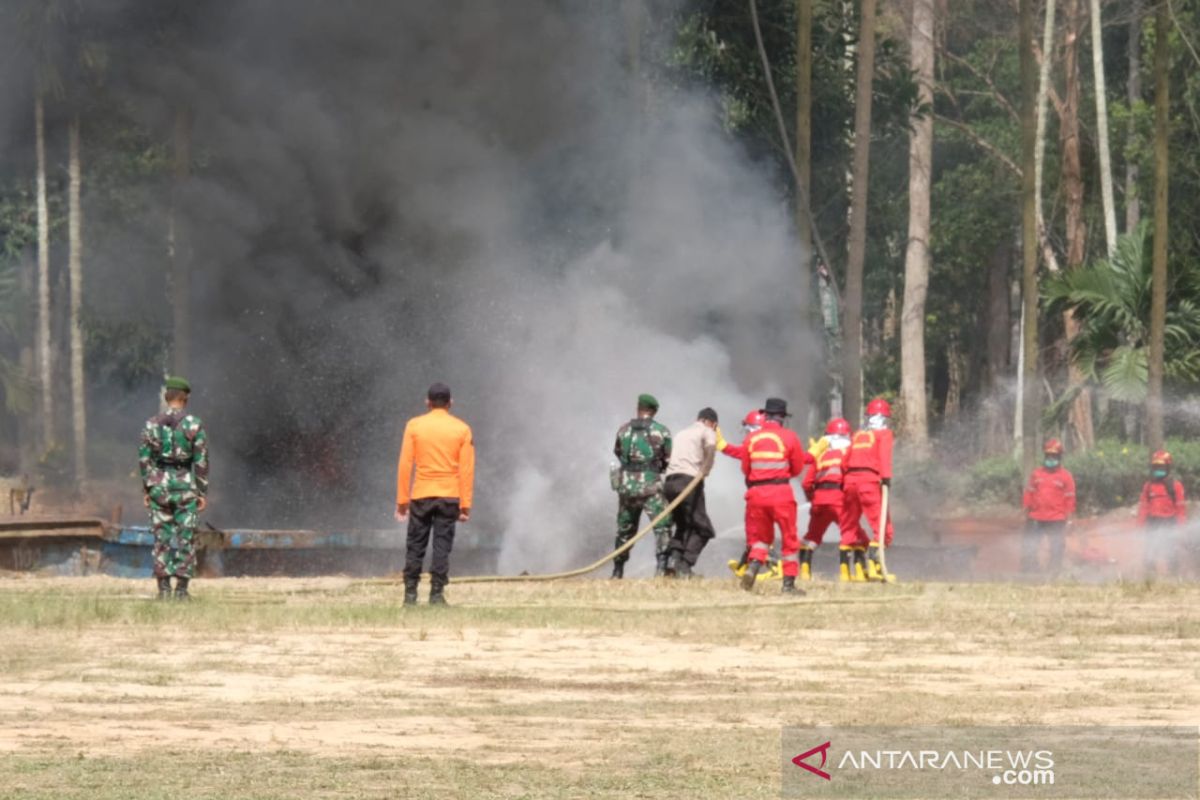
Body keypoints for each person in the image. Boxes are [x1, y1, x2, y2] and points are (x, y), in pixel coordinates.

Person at [396, 382, 475, 606]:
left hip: (421, 493)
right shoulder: (462, 429)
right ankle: (437, 595)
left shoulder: (414, 426)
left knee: (415, 545)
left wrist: (402, 501)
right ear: (450, 403)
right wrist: (465, 505)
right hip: (449, 496)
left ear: (427, 403)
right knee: (442, 546)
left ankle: (410, 596)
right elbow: (466, 470)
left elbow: (405, 464)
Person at [138, 376, 209, 600]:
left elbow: (144, 460)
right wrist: (202, 492)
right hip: (186, 485)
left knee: (162, 538)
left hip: (159, 485)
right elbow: (201, 461)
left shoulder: (151, 424)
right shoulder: (195, 424)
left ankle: (163, 589)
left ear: (167, 397)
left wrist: (147, 489)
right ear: (185, 399)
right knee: (185, 538)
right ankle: (182, 591)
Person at [739, 397, 808, 594]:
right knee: (789, 537)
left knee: (761, 537)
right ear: (783, 417)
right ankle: (788, 585)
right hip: (780, 493)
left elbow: (746, 468)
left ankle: (753, 566)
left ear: (765, 415)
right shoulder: (790, 437)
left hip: (756, 494)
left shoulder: (751, 439)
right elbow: (797, 468)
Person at [611, 394, 673, 578]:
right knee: (662, 526)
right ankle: (661, 570)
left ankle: (618, 570)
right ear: (653, 411)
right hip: (650, 486)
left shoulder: (623, 430)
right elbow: (667, 458)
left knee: (625, 530)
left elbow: (618, 452)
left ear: (638, 408)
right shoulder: (662, 431)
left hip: (627, 487)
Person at [662, 408, 719, 578]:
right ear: (712, 423)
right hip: (689, 482)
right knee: (704, 529)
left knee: (683, 525)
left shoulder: (682, 433)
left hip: (670, 483)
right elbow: (710, 449)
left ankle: (673, 561)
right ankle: (685, 566)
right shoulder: (708, 430)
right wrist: (705, 471)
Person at [843, 398, 895, 581]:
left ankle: (848, 572)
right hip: (869, 482)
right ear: (884, 418)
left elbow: (844, 461)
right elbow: (884, 456)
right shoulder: (884, 434)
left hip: (849, 482)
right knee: (883, 528)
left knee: (849, 526)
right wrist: (886, 478)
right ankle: (875, 563)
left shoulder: (857, 435)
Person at [801, 417, 857, 582]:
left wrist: (813, 500)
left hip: (819, 501)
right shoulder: (850, 453)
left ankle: (804, 572)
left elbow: (806, 483)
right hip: (840, 500)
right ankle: (846, 574)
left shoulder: (820, 456)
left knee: (812, 536)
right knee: (851, 533)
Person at [1020, 438, 1075, 575]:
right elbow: (1029, 493)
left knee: (1057, 547)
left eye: (1054, 456)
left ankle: (1053, 572)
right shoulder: (1036, 474)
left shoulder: (1066, 476)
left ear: (1059, 457)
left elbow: (1070, 499)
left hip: (1057, 518)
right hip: (1036, 517)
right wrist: (1026, 510)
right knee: (1030, 545)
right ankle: (1030, 571)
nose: (1051, 458)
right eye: (1048, 456)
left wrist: (1069, 519)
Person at [1137, 449, 1187, 576]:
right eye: (1156, 467)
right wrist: (1140, 525)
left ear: (1168, 467)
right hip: (1153, 522)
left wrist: (1181, 528)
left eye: (1161, 467)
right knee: (1150, 552)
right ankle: (1150, 577)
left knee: (1171, 552)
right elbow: (1144, 507)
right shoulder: (1148, 486)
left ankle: (1174, 576)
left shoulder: (1175, 486)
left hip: (1170, 522)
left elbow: (1180, 509)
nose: (1158, 470)